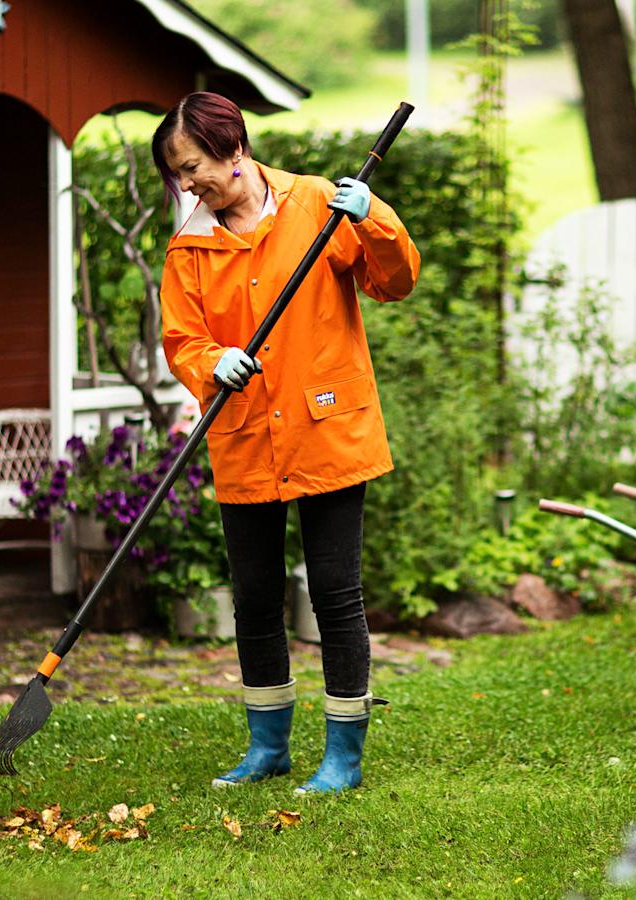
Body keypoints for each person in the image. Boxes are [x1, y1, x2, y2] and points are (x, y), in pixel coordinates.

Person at [153, 92, 420, 795]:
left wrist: (377, 221)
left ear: (233, 149)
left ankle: (344, 758)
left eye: (192, 167)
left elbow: (395, 283)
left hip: (328, 428)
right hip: (243, 436)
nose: (187, 185)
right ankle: (267, 746)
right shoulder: (190, 247)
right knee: (255, 595)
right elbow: (182, 339)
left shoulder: (320, 207)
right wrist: (213, 364)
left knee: (335, 593)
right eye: (178, 175)